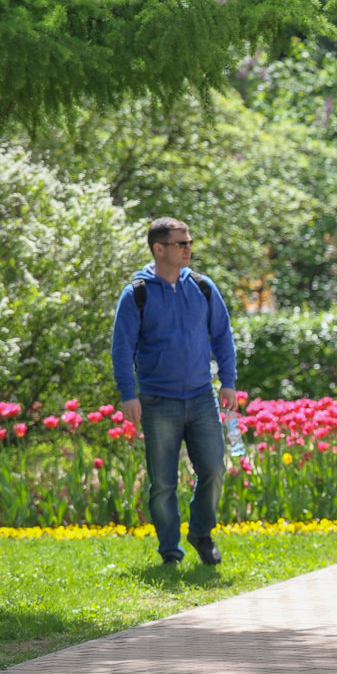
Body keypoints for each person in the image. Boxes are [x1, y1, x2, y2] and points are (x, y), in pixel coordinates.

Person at [111, 217, 237, 566]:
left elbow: (222, 335)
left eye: (189, 243)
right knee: (163, 483)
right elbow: (122, 348)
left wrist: (228, 381)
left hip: (202, 397)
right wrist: (128, 393)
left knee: (214, 469)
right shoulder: (136, 294)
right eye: (181, 243)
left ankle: (201, 532)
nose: (188, 249)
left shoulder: (202, 287)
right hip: (157, 400)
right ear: (159, 249)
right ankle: (170, 551)